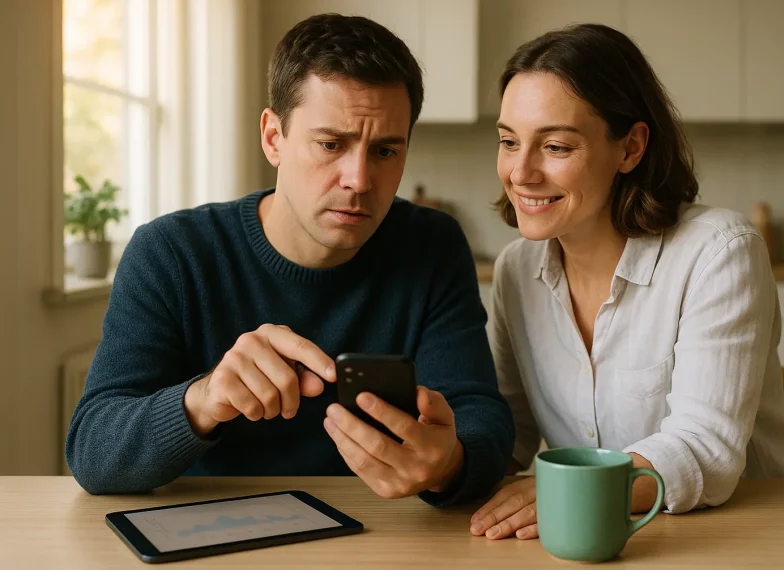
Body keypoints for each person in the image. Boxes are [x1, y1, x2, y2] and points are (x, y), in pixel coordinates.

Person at [65, 13, 514, 508]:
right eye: (330, 144)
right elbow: (92, 452)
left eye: (385, 151)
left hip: (379, 532)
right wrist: (204, 398)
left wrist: (450, 463)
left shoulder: (432, 245)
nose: (359, 180)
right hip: (214, 532)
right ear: (273, 138)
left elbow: (482, 420)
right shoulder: (170, 253)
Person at [470, 23, 784, 540]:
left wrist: (571, 489)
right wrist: (448, 452)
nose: (520, 172)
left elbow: (707, 452)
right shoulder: (517, 271)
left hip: (760, 533)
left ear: (630, 147)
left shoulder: (718, 252)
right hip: (601, 533)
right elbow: (511, 437)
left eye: (557, 147)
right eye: (508, 141)